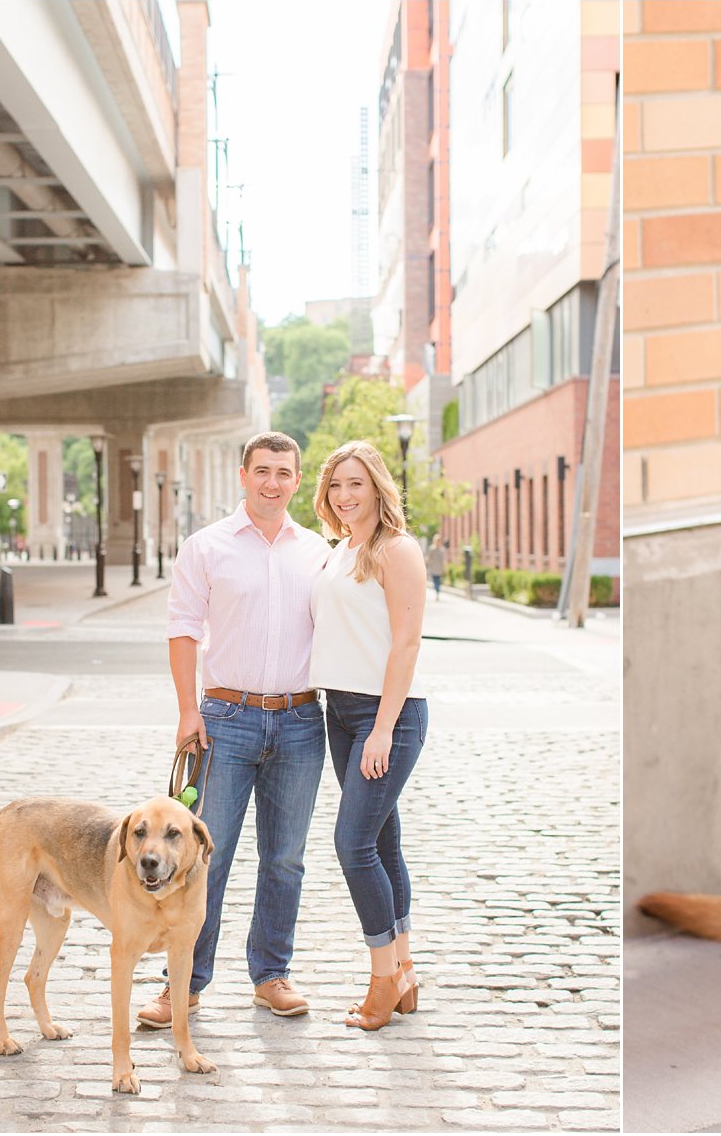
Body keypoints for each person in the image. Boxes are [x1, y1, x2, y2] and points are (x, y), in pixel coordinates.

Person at [138, 431, 330, 1028]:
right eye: (263, 471)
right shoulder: (207, 547)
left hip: (301, 720)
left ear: (298, 481)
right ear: (243, 475)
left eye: (284, 472)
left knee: (286, 859)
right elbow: (182, 630)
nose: (273, 482)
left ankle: (271, 974)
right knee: (200, 860)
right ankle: (183, 985)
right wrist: (186, 711)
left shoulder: (319, 551)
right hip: (225, 719)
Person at [308, 440, 429, 1031]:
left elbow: (407, 642)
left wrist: (383, 727)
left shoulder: (397, 550)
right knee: (382, 845)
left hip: (390, 716)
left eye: (356, 483)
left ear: (378, 487)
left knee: (352, 845)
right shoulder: (339, 551)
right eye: (336, 485)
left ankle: (382, 977)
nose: (346, 495)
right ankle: (405, 971)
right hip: (341, 711)